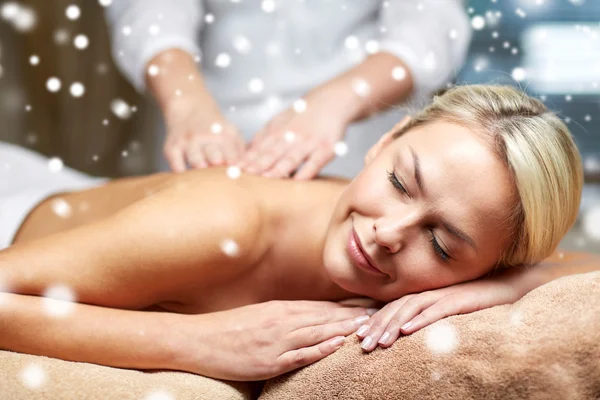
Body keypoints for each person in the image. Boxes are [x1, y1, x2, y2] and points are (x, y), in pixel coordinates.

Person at [0, 85, 593, 383]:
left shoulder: (481, 266)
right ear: (386, 140)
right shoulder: (223, 223)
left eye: (440, 244)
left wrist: (495, 290)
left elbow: (581, 264)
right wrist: (197, 343)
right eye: (399, 181)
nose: (389, 233)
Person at [104, 0, 471, 179]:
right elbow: (148, 11)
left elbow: (431, 27)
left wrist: (336, 102)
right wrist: (187, 106)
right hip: (207, 129)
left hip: (354, 134)